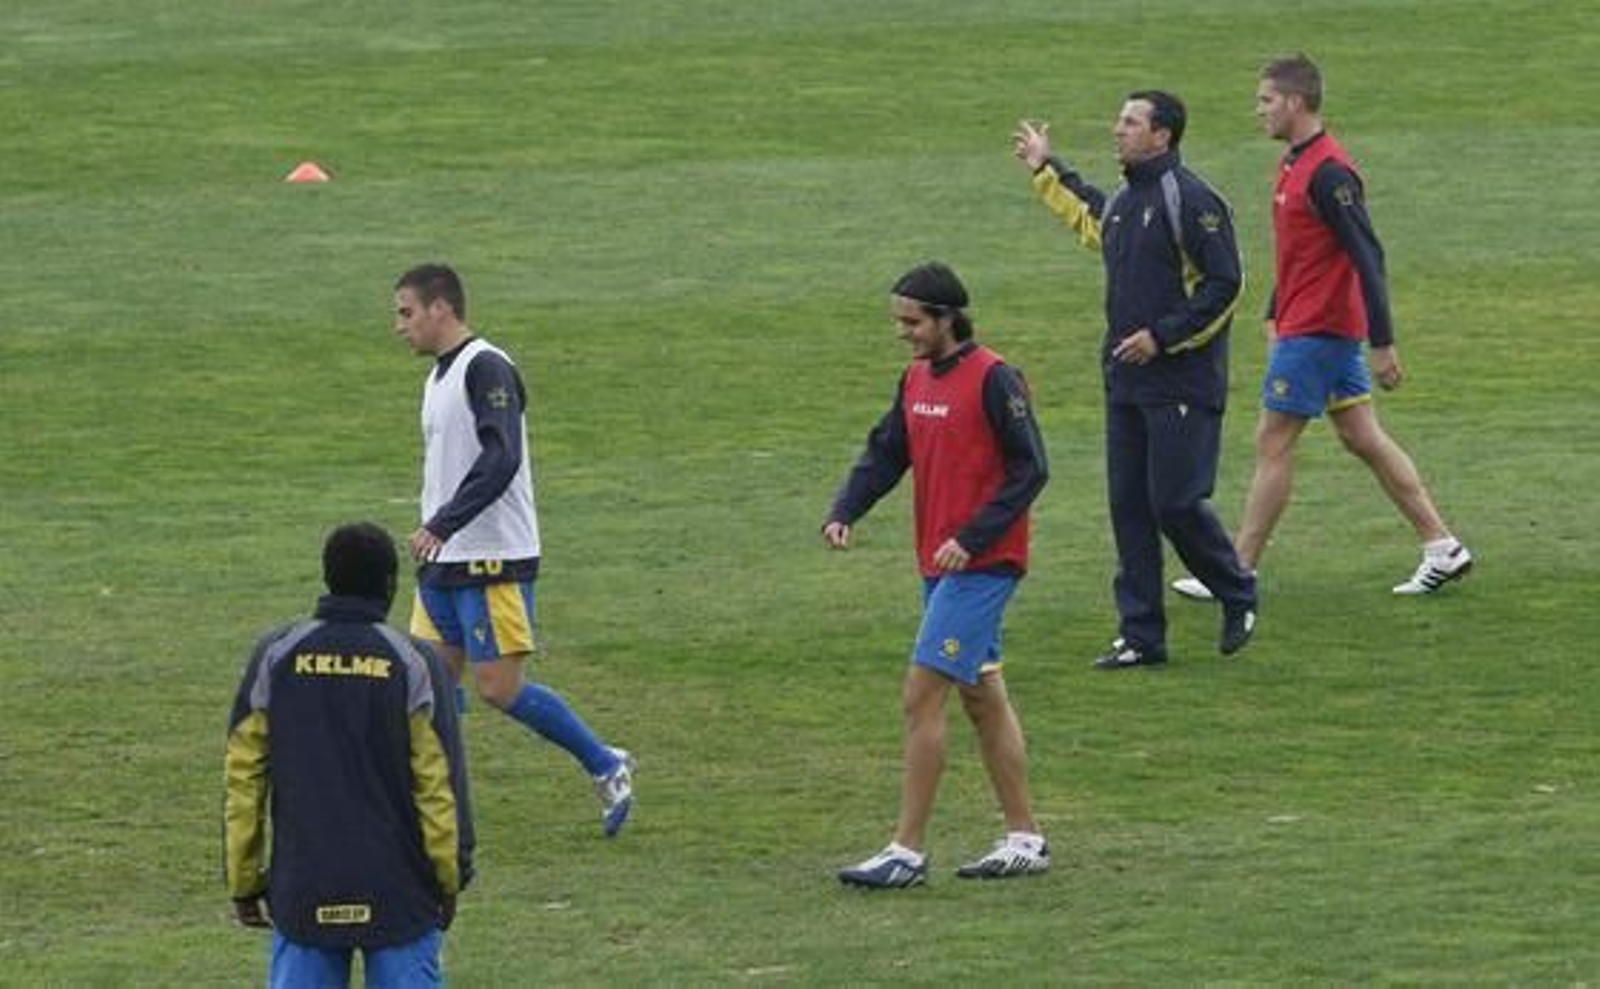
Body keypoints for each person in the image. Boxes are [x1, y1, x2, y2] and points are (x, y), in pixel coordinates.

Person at [1171, 54, 1472, 601]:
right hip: (1307, 324)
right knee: (1363, 436)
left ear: (1294, 101)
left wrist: (1382, 342)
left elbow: (1367, 255)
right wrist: (1273, 307)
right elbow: (1305, 252)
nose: (1258, 110)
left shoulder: (1330, 173)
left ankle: (1237, 570)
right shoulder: (1293, 163)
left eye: (1265, 100)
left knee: (1273, 440)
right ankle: (1442, 546)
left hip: (1320, 331)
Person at [824, 262, 1051, 889]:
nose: (904, 332)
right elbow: (887, 452)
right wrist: (846, 509)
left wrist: (971, 538)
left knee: (920, 695)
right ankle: (1026, 837)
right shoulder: (915, 378)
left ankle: (907, 850)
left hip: (983, 566)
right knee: (983, 698)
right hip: (939, 565)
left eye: (913, 321)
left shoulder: (995, 379)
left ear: (948, 318)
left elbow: (1031, 470)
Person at [1014, 91, 1257, 670]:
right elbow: (1094, 218)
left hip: (1181, 384)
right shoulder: (1127, 201)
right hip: (1124, 382)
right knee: (1129, 508)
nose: (1116, 129)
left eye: (1130, 122)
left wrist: (1163, 338)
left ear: (1162, 136)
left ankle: (1237, 588)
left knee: (1174, 503)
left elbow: (1227, 286)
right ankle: (1142, 635)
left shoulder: (1192, 200)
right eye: (1119, 117)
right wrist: (1047, 167)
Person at [392, 263, 636, 837]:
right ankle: (436, 808)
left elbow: (501, 459)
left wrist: (443, 524)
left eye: (406, 313)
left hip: (491, 559)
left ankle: (606, 762)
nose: (399, 327)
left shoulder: (487, 368)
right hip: (442, 560)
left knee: (498, 688)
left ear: (440, 309)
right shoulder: (435, 379)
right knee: (427, 686)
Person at [224, 522, 474, 988]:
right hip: (400, 890)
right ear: (390, 585)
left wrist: (243, 880)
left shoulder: (276, 655)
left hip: (305, 885)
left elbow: (244, 780)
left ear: (328, 578)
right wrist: (450, 874)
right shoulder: (413, 663)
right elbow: (438, 785)